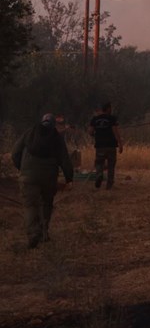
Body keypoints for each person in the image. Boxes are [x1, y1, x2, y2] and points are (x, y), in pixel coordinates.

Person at [11, 114, 74, 249]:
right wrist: (69, 178)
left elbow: (15, 152)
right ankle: (44, 233)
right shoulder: (57, 137)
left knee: (30, 206)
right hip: (49, 177)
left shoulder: (29, 133)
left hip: (28, 177)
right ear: (53, 125)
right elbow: (65, 160)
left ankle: (33, 234)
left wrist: (21, 168)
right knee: (46, 204)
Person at [89, 102, 123, 189]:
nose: (111, 110)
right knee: (111, 166)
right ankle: (109, 185)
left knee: (99, 163)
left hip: (100, 146)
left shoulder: (95, 119)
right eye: (110, 108)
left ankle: (99, 174)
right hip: (111, 146)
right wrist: (120, 143)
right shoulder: (112, 118)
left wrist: (96, 135)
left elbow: (90, 132)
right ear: (108, 109)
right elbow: (115, 132)